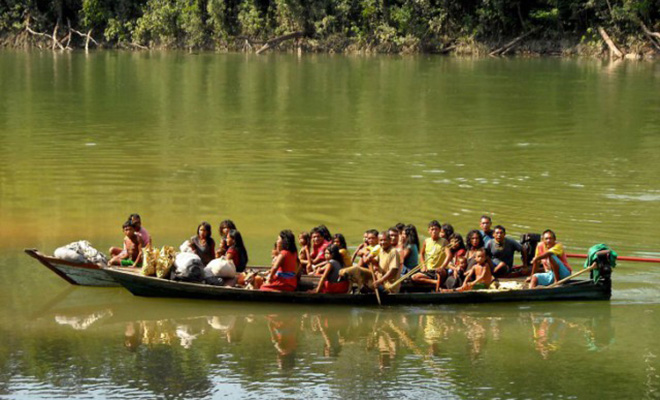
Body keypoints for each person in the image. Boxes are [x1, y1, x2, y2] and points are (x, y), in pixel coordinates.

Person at [411, 220, 450, 287]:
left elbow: (449, 255)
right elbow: (422, 254)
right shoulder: (426, 241)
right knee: (414, 277)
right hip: (429, 270)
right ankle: (435, 282)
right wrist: (423, 265)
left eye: (436, 229)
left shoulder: (444, 241)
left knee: (442, 273)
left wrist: (442, 267)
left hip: (439, 270)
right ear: (429, 231)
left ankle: (437, 281)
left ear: (439, 230)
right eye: (432, 229)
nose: (434, 231)